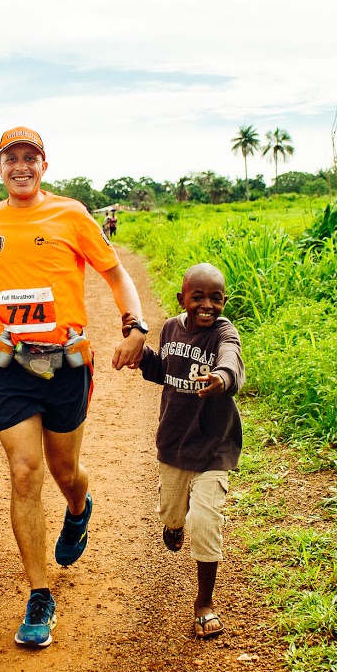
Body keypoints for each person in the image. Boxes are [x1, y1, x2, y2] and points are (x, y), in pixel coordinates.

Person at [0, 126, 148, 647]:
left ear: (44, 165)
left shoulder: (71, 215)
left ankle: (79, 511)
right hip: (12, 368)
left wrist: (135, 326)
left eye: (30, 158)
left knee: (66, 472)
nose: (21, 166)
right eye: (10, 158)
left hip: (65, 366)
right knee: (24, 472)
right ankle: (39, 594)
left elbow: (116, 275)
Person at [131, 263, 244, 638]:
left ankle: (204, 603)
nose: (208, 305)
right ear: (183, 299)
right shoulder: (170, 329)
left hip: (215, 444)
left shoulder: (224, 333)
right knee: (174, 513)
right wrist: (138, 351)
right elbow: (162, 370)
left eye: (216, 298)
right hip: (174, 443)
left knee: (206, 520)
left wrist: (222, 377)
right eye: (199, 297)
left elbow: (232, 359)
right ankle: (173, 524)